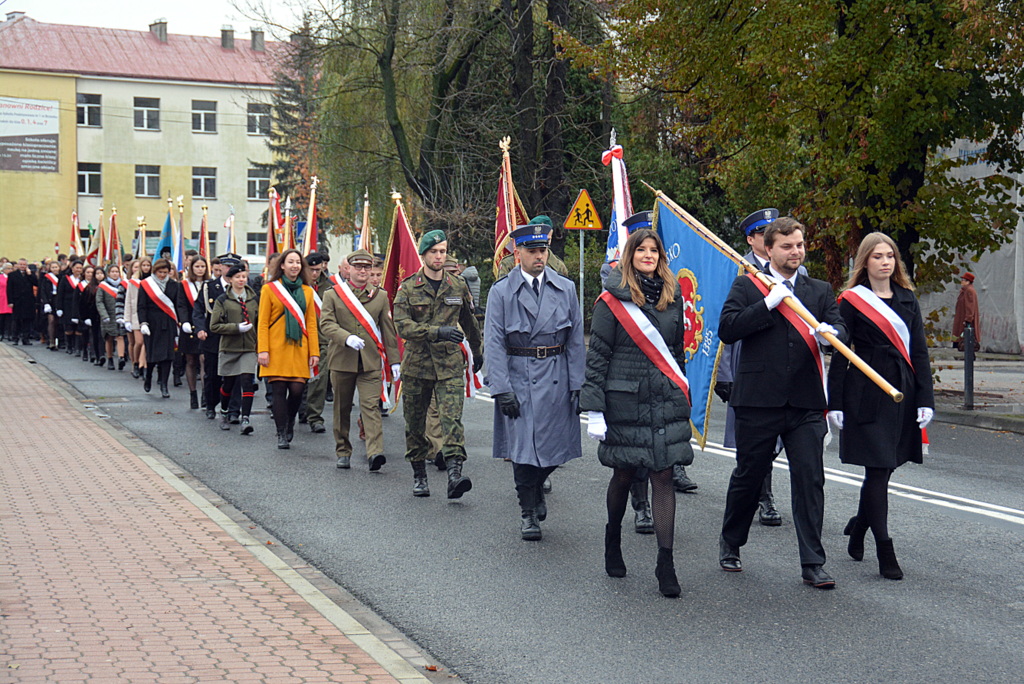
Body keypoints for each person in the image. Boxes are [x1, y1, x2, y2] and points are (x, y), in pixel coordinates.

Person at [717, 217, 848, 590]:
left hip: (805, 402)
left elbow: (840, 329)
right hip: (759, 401)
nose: (796, 252)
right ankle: (731, 541)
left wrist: (831, 336)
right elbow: (728, 328)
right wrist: (768, 304)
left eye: (800, 245)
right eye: (788, 246)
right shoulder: (748, 285)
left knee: (810, 479)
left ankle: (813, 562)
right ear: (769, 249)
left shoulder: (819, 290)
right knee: (750, 475)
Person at [580, 228, 693, 598]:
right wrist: (594, 409)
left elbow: (676, 353)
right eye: (641, 250)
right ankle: (613, 538)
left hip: (663, 399)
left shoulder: (672, 297)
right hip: (625, 400)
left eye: (654, 250)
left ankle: (666, 561)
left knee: (663, 475)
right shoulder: (611, 300)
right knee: (625, 474)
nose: (649, 255)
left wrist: (682, 394)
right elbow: (597, 357)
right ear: (630, 255)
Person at [827, 232, 934, 580]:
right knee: (877, 469)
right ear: (865, 262)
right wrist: (835, 402)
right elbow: (842, 355)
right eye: (877, 256)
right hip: (866, 392)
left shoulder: (907, 299)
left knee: (885, 470)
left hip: (900, 392)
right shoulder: (852, 301)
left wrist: (926, 399)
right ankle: (885, 550)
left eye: (890, 256)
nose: (885, 261)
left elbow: (918, 352)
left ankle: (860, 525)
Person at [485, 223, 585, 541]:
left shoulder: (565, 288)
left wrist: (578, 383)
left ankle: (536, 488)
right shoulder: (501, 291)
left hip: (556, 374)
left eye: (542, 250)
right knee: (522, 449)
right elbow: (494, 342)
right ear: (518, 254)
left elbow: (576, 341)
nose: (539, 256)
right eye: (531, 251)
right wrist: (501, 388)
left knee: (556, 447)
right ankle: (528, 511)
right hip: (519, 375)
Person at [714, 208, 794, 526]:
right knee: (753, 442)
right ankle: (762, 497)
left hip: (785, 368)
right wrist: (724, 374)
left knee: (780, 438)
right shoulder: (739, 271)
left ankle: (760, 493)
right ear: (752, 239)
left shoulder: (787, 269)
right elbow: (725, 324)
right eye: (764, 233)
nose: (771, 237)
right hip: (746, 364)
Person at [393, 229, 482, 498]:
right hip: (417, 365)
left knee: (452, 420)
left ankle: (455, 475)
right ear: (423, 255)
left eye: (443, 251)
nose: (439, 256)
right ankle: (419, 475)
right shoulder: (408, 287)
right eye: (434, 252)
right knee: (415, 423)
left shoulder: (457, 285)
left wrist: (478, 351)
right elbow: (402, 326)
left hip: (449, 364)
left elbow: (470, 320)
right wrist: (436, 331)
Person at [320, 249, 400, 470]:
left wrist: (394, 361)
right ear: (349, 270)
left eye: (367, 267)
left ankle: (375, 453)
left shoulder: (380, 296)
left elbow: (388, 331)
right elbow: (326, 324)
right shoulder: (333, 295)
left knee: (371, 407)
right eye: (358, 267)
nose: (363, 271)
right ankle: (343, 450)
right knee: (342, 408)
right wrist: (346, 338)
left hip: (370, 362)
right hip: (342, 360)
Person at [257, 249, 320, 449]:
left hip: (299, 348)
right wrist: (263, 350)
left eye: (298, 262)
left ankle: (290, 420)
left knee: (297, 390)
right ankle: (281, 432)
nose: (295, 266)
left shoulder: (308, 291)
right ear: (282, 265)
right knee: (278, 389)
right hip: (275, 348)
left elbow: (311, 324)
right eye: (290, 262)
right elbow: (263, 323)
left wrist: (315, 352)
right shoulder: (269, 289)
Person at [210, 263, 259, 435]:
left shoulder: (254, 300)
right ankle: (224, 412)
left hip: (249, 347)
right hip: (230, 347)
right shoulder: (222, 300)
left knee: (247, 381)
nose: (241, 280)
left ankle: (245, 418)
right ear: (230, 280)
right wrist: (236, 328)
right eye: (237, 277)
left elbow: (261, 322)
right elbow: (214, 326)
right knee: (228, 384)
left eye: (244, 277)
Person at [194, 255, 243, 421]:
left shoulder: (243, 288)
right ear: (220, 267)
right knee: (212, 375)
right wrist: (200, 329)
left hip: (236, 338)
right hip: (213, 337)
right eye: (226, 266)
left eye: (232, 267)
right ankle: (211, 405)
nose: (229, 270)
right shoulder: (209, 287)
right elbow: (199, 310)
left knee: (235, 375)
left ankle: (234, 409)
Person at [137, 258, 181, 397]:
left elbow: (178, 306)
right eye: (160, 272)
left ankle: (164, 384)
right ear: (155, 271)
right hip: (152, 324)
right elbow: (141, 306)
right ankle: (149, 376)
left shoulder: (174, 285)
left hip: (168, 323)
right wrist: (143, 323)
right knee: (152, 355)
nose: (162, 275)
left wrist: (180, 323)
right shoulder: (146, 285)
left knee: (168, 356)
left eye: (165, 272)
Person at [300, 252, 333, 434]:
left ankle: (315, 417)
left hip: (321, 341)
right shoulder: (298, 286)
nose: (314, 274)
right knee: (297, 380)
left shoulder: (330, 288)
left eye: (317, 270)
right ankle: (298, 410)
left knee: (318, 380)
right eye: (310, 270)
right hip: (299, 339)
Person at [176, 257, 208, 410]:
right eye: (197, 266)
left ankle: (204, 395)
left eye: (203, 266)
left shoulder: (209, 284)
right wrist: (184, 322)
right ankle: (193, 394)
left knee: (203, 360)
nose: (200, 269)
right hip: (189, 326)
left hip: (204, 327)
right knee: (191, 360)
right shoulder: (183, 285)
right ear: (191, 268)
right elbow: (181, 305)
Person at [496, 216, 570, 278]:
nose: (539, 256)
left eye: (547, 239)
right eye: (532, 251)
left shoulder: (558, 266)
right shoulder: (510, 263)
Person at [97, 263, 127, 370]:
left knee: (120, 336)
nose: (115, 274)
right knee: (109, 337)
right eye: (113, 272)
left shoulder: (123, 285)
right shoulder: (103, 286)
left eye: (117, 272)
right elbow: (99, 302)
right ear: (108, 273)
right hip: (108, 315)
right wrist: (104, 315)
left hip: (120, 315)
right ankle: (109, 358)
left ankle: (121, 357)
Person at [6, 258, 39, 346]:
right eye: (21, 264)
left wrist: (30, 275)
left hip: (28, 301)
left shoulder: (30, 274)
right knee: (16, 320)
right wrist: (10, 301)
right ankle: (15, 338)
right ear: (18, 265)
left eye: (24, 265)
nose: (22, 266)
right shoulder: (12, 275)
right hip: (17, 300)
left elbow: (36, 283)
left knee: (27, 321)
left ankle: (26, 339)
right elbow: (9, 289)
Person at [56, 260, 85, 355]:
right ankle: (69, 346)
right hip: (67, 305)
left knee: (79, 328)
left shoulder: (83, 280)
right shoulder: (65, 279)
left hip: (80, 306)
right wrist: (59, 307)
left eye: (80, 268)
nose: (79, 270)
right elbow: (60, 293)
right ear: (72, 269)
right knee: (69, 327)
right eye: (77, 268)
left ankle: (78, 348)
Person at [952, 272, 981, 352]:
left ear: (968, 281)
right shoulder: (965, 290)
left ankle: (968, 356)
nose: (962, 281)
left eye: (964, 280)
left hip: (965, 320)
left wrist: (968, 320)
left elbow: (970, 307)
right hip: (962, 319)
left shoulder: (969, 291)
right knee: (963, 339)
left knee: (966, 339)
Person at [39, 261, 62, 350]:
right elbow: (43, 291)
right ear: (50, 268)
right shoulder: (46, 278)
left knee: (59, 321)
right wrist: (45, 303)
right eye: (53, 267)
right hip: (50, 300)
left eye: (56, 267)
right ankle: (51, 341)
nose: (55, 269)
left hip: (59, 300)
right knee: (51, 320)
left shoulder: (62, 277)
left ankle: (60, 341)